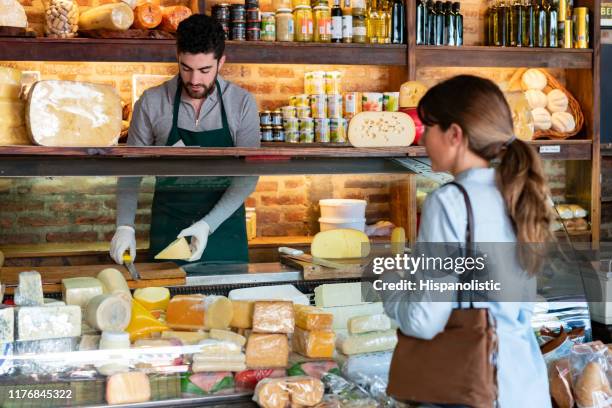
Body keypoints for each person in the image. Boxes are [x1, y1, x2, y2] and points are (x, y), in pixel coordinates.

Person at [383, 75, 553, 407]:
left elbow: (423, 321)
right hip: (525, 387)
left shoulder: (449, 202)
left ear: (454, 134)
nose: (422, 138)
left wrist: (387, 284)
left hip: (474, 389)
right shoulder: (519, 193)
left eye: (428, 127)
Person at [109, 14, 260, 266]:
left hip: (222, 230)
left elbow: (249, 176)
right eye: (186, 68)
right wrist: (125, 225)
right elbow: (130, 171)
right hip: (169, 225)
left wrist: (207, 225)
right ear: (177, 57)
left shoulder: (241, 103)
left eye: (204, 70)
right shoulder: (152, 102)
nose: (194, 80)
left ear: (221, 62)